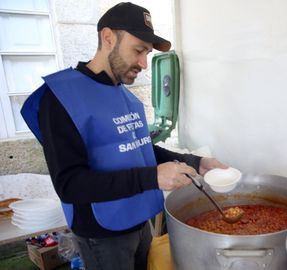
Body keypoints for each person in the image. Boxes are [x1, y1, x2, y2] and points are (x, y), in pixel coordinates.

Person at [21, 2, 227, 270]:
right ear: (108, 38)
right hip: (102, 233)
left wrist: (195, 161)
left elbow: (140, 150)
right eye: (138, 50)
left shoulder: (126, 98)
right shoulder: (59, 98)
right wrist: (152, 177)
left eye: (148, 53)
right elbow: (69, 184)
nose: (143, 63)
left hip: (139, 220)